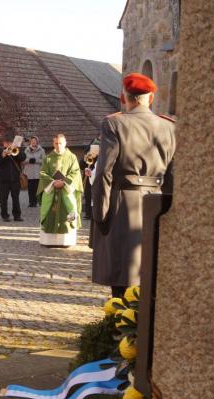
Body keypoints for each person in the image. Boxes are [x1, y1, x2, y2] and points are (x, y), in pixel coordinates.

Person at [92, 73, 175, 298]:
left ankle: (120, 329)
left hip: (122, 205)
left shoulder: (114, 123)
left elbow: (103, 174)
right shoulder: (169, 127)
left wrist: (100, 214)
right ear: (150, 99)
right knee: (149, 275)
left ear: (125, 98)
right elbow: (173, 175)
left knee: (121, 280)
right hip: (156, 205)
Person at [36, 134, 83, 246]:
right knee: (48, 212)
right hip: (51, 191)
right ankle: (48, 241)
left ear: (65, 143)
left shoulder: (72, 157)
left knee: (69, 210)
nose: (58, 145)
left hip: (66, 191)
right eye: (56, 143)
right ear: (53, 143)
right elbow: (43, 173)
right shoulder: (48, 158)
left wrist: (64, 182)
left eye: (60, 143)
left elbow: (76, 172)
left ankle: (67, 241)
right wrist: (53, 182)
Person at [0, 135, 28, 222]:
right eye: (7, 142)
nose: (8, 144)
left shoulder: (16, 150)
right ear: (4, 143)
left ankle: (17, 215)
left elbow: (23, 157)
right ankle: (5, 215)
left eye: (10, 142)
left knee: (16, 198)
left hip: (15, 179)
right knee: (3, 199)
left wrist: (16, 151)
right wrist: (3, 154)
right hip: (3, 180)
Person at [23, 136, 46, 207]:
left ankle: (38, 202)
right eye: (32, 140)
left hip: (37, 172)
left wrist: (36, 161)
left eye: (34, 140)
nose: (33, 142)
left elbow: (45, 160)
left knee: (38, 188)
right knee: (30, 189)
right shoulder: (26, 150)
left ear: (37, 142)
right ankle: (31, 202)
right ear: (30, 142)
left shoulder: (41, 150)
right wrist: (28, 160)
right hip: (29, 172)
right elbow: (23, 160)